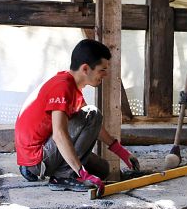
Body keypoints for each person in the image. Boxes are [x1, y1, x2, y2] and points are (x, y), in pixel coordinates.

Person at [15, 39, 139, 194]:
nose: (106, 74)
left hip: (41, 158)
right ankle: (62, 177)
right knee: (92, 113)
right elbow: (60, 134)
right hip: (35, 163)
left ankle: (69, 172)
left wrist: (121, 152)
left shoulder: (73, 86)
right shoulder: (63, 87)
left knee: (103, 169)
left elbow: (93, 127)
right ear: (86, 69)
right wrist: (81, 173)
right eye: (102, 70)